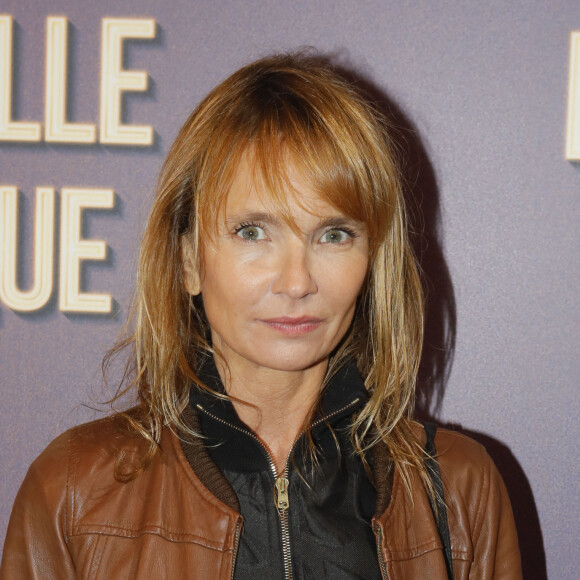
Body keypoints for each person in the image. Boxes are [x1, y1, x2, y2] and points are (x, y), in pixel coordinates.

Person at [0, 52, 522, 579]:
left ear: (373, 260)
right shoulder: (73, 491)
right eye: (252, 231)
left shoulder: (458, 489)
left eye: (334, 234)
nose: (297, 282)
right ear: (188, 261)